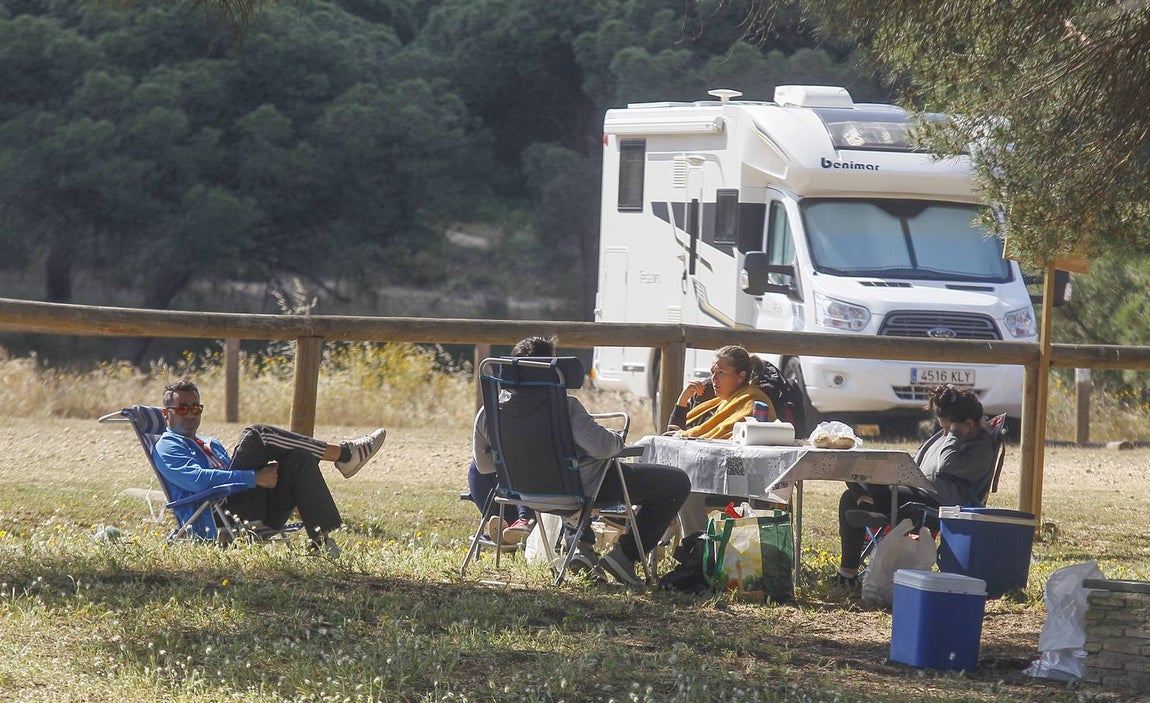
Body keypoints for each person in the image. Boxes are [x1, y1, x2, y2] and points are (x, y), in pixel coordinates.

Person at [473, 336, 692, 586]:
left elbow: (484, 466)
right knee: (676, 482)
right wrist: (616, 439)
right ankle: (625, 555)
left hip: (523, 495)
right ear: (553, 368)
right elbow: (603, 447)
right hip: (575, 492)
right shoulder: (564, 408)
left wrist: (523, 463)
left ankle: (582, 550)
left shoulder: (488, 412)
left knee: (582, 477)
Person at [152, 379, 386, 556]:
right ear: (166, 414)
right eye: (183, 408)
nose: (191, 414)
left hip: (251, 510)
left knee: (299, 458)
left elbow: (229, 473)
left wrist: (265, 476)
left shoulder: (210, 442)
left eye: (196, 408)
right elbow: (197, 480)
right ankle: (344, 454)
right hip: (217, 518)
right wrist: (254, 478)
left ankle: (321, 542)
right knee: (256, 434)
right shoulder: (167, 446)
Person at [834, 384, 997, 586]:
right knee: (854, 476)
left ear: (969, 424)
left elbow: (946, 464)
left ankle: (866, 503)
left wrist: (954, 433)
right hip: (914, 490)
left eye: (947, 428)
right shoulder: (949, 436)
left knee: (854, 496)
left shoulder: (981, 448)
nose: (945, 433)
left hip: (935, 504)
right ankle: (847, 573)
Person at [665, 345, 776, 439]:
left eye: (721, 372)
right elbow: (671, 434)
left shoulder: (752, 401)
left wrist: (685, 435)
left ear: (741, 376)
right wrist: (683, 400)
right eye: (712, 372)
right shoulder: (721, 402)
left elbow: (725, 437)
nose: (714, 378)